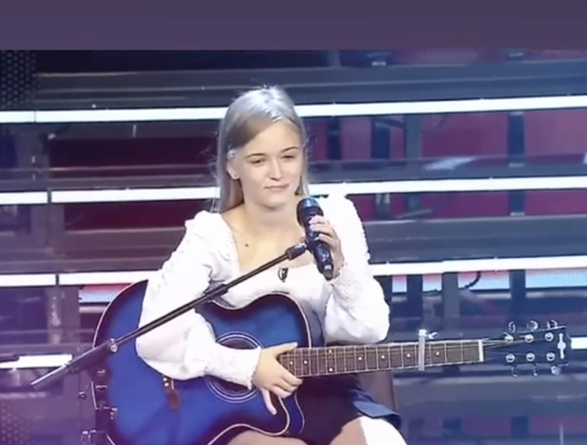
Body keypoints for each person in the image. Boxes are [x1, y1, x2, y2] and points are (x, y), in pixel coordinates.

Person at [135, 86, 407, 445]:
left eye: (288, 156)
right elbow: (154, 335)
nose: (277, 173)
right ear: (232, 166)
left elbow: (369, 330)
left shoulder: (337, 217)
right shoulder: (211, 235)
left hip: (326, 394)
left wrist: (342, 272)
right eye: (258, 160)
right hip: (242, 407)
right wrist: (247, 366)